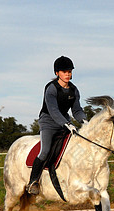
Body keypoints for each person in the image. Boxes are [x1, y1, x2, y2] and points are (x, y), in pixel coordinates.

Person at [27, 56, 87, 195]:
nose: (67, 74)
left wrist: (84, 121)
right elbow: (53, 111)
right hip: (48, 122)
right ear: (57, 73)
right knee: (45, 151)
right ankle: (33, 182)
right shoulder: (51, 89)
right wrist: (67, 124)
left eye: (69, 71)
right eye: (64, 71)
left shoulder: (74, 90)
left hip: (65, 122)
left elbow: (77, 110)